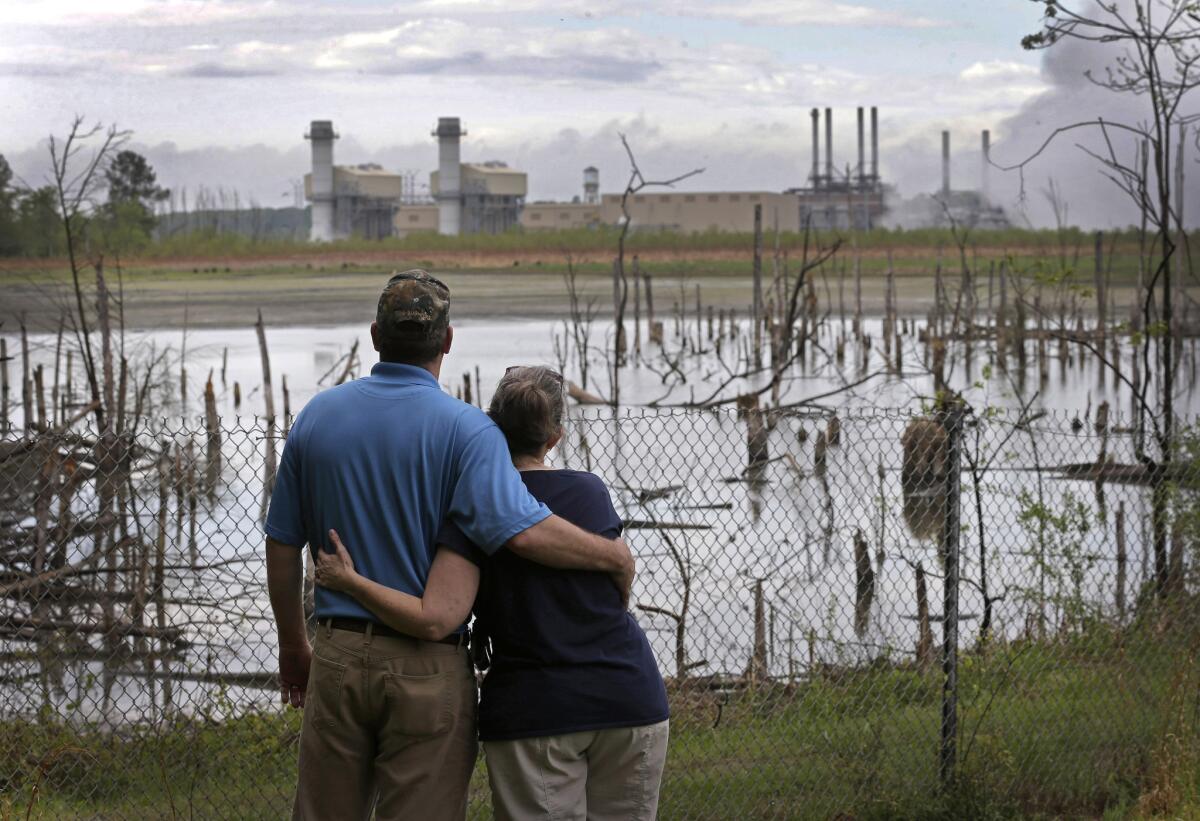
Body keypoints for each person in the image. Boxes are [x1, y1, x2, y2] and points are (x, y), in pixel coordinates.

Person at [264, 271, 635, 821]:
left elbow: (281, 543)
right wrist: (613, 555)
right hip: (425, 666)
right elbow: (527, 531)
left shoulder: (317, 416)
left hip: (337, 655)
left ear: (374, 335)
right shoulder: (468, 431)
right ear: (447, 340)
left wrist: (294, 645)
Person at [315, 365, 670, 821]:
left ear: (491, 426)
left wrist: (351, 582)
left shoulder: (470, 505)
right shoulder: (590, 492)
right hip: (630, 696)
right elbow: (618, 578)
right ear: (556, 437)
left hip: (536, 711)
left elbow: (435, 617)